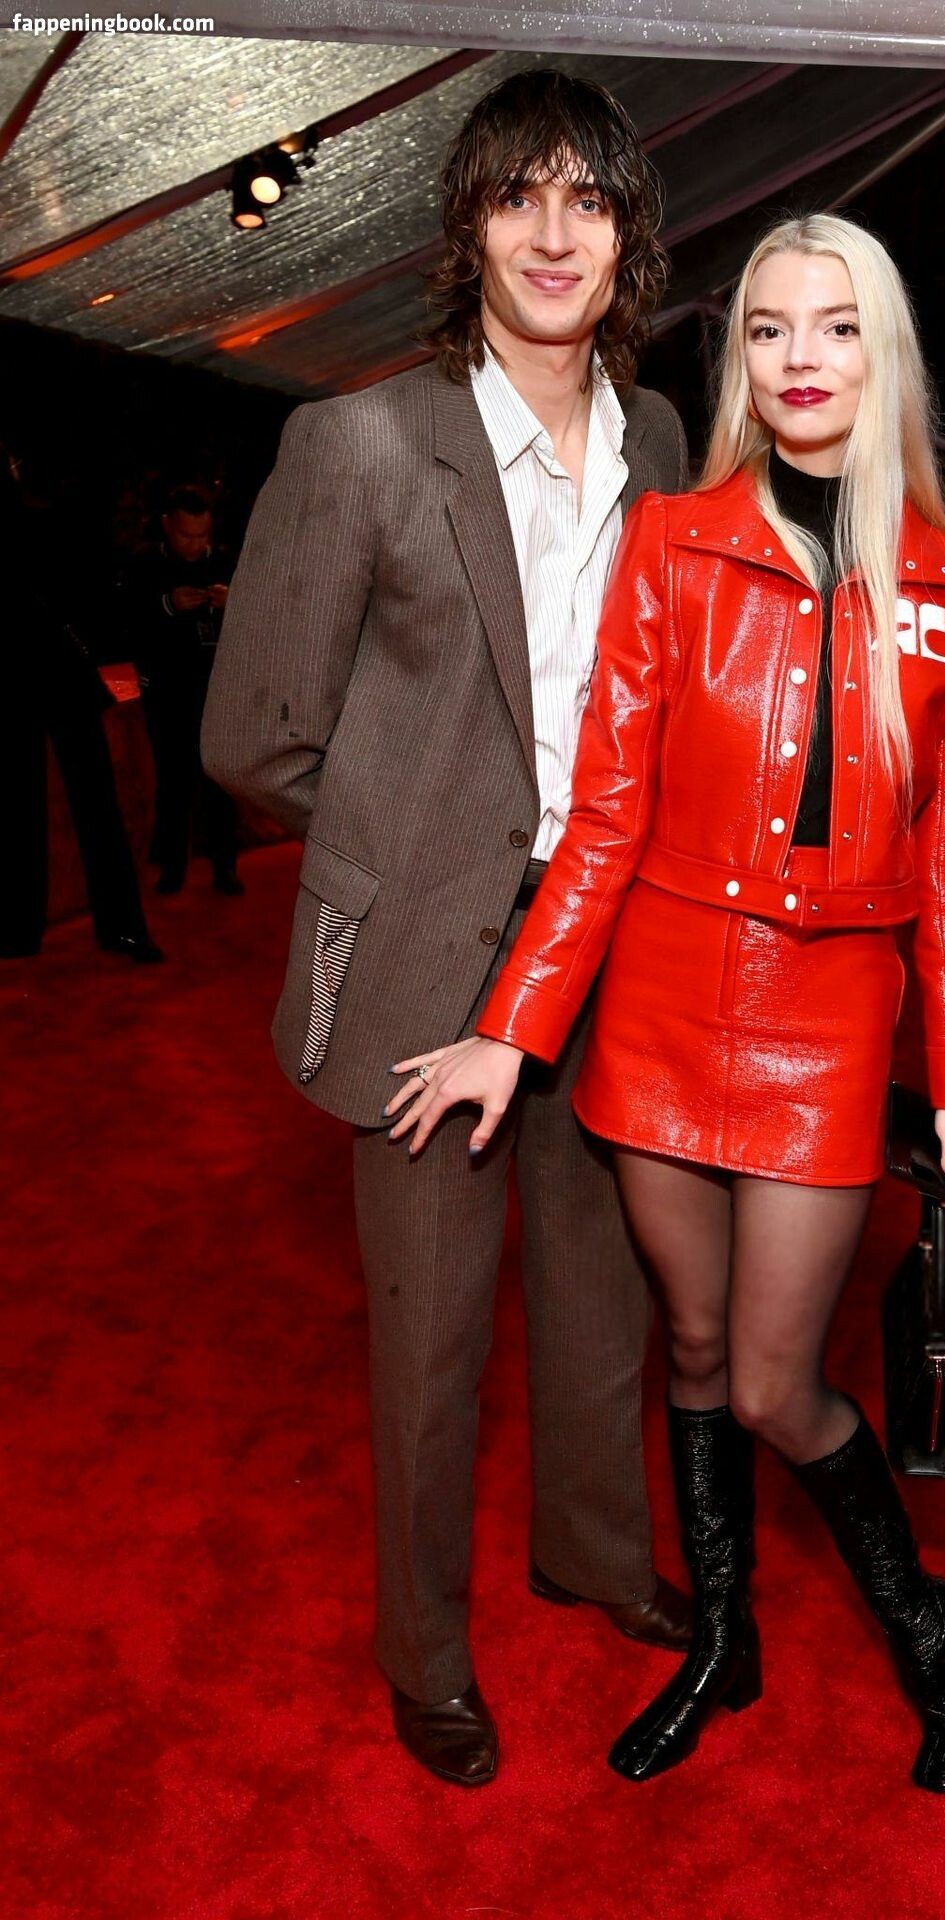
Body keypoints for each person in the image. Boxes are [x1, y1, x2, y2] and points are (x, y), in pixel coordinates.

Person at [387, 213, 945, 1792]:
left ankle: (921, 1638)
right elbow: (603, 817)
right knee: (691, 1341)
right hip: (661, 1005)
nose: (800, 358)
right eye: (768, 329)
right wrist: (512, 1027)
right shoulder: (671, 541)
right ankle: (724, 1641)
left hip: (829, 1017)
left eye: (836, 326)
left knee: (776, 1381)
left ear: (881, 352)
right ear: (739, 360)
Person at [202, 69, 694, 1790]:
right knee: (428, 1342)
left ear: (627, 237)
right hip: (425, 956)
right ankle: (423, 1654)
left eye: (587, 199)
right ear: (466, 228)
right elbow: (250, 737)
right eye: (515, 196)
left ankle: (594, 1554)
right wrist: (405, 852)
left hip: (607, 944)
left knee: (605, 1292)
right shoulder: (356, 444)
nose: (553, 234)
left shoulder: (664, 445)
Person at [1, 441, 163, 964]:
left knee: (45, 809)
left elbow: (100, 603)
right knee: (87, 808)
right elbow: (102, 604)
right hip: (57, 677)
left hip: (45, 678)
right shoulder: (72, 516)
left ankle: (24, 931)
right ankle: (118, 929)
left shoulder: (61, 517)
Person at [121, 486, 241, 895]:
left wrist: (234, 603)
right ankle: (172, 868)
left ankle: (226, 867)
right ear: (167, 526)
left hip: (217, 692)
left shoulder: (225, 563)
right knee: (173, 781)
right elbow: (125, 624)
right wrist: (167, 605)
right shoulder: (145, 566)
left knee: (221, 784)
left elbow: (263, 622)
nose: (193, 544)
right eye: (185, 535)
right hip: (167, 692)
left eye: (201, 535)